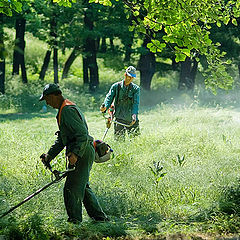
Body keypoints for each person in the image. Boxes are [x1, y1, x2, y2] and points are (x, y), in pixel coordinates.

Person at [39, 83, 108, 224]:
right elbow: (62, 139)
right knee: (82, 186)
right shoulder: (63, 109)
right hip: (83, 150)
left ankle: (74, 222)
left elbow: (82, 134)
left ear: (54, 96)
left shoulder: (67, 110)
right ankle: (100, 218)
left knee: (71, 188)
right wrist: (49, 155)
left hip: (82, 151)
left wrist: (75, 153)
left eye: (47, 99)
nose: (47, 103)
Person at [100, 66, 140, 140]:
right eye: (129, 76)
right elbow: (109, 98)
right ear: (125, 75)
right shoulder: (116, 86)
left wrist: (134, 115)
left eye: (132, 77)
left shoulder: (136, 89)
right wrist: (105, 107)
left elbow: (136, 103)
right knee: (119, 140)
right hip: (119, 118)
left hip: (131, 119)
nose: (130, 79)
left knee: (136, 141)